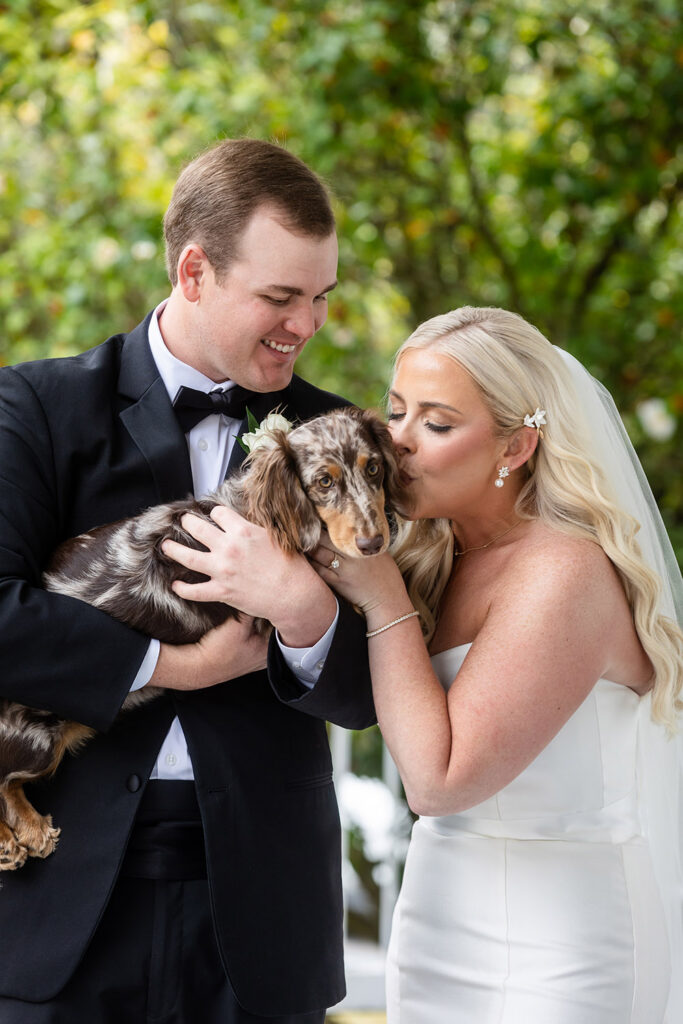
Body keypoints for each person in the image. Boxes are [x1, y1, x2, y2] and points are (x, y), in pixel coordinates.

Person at [0, 138, 375, 1023]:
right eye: (280, 297)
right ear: (195, 270)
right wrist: (171, 668)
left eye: (320, 299)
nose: (306, 326)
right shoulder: (36, 409)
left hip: (261, 914)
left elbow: (375, 690)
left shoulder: (334, 434)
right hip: (57, 898)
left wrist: (305, 613)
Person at [311, 306, 683, 1023]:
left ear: (515, 447)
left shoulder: (563, 572)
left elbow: (440, 780)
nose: (397, 443)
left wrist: (381, 592)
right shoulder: (438, 557)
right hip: (436, 914)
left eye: (437, 423)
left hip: (560, 943)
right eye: (395, 413)